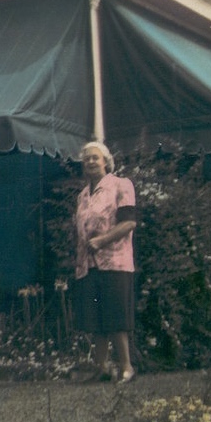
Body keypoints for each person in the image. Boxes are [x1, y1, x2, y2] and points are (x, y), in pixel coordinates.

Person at [73, 141, 137, 384]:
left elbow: (129, 222)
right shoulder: (83, 195)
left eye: (95, 158)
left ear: (106, 161)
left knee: (116, 317)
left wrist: (102, 241)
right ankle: (102, 369)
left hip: (115, 262)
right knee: (96, 319)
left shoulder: (121, 185)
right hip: (88, 264)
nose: (90, 161)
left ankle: (127, 368)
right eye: (87, 158)